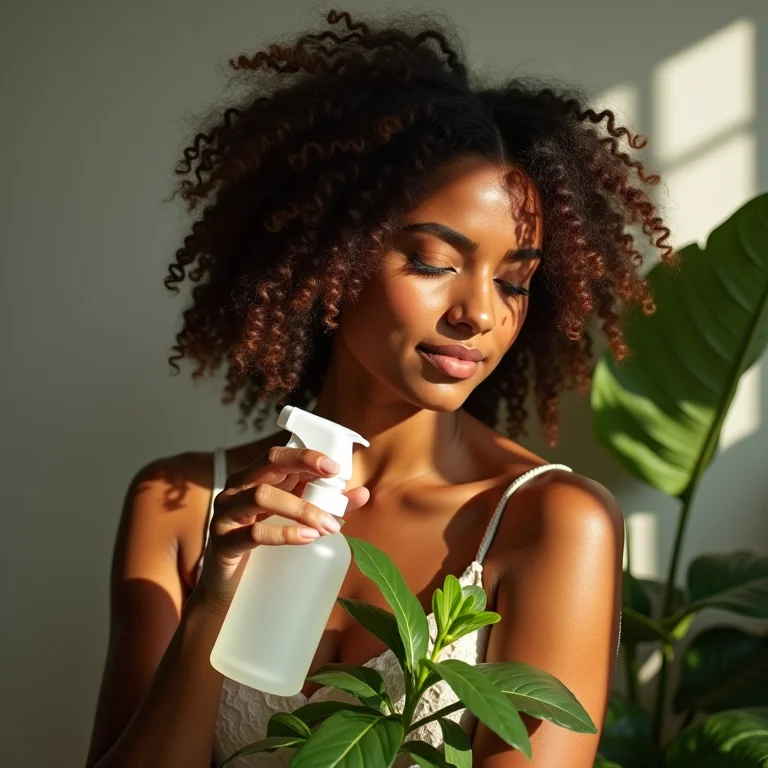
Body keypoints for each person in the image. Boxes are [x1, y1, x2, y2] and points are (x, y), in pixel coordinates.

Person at [86, 9, 673, 768]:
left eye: (516, 281)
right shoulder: (180, 506)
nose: (481, 313)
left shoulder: (551, 524)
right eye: (433, 262)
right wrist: (210, 609)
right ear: (328, 256)